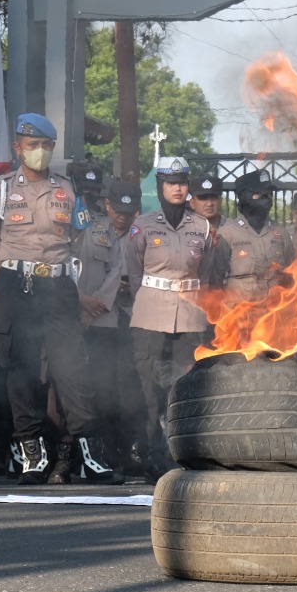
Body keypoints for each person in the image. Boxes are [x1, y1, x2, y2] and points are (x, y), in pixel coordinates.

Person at [0, 114, 120, 486]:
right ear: (18, 148)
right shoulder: (0, 191)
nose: (39, 151)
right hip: (14, 283)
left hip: (57, 286)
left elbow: (77, 240)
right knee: (21, 370)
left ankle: (92, 456)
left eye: (46, 145)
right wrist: (3, 287)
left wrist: (59, 275)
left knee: (73, 368)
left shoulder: (68, 190)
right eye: (32, 145)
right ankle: (32, 454)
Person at [124, 155, 215, 479]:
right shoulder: (144, 226)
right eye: (170, 183)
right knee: (148, 388)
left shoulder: (201, 227)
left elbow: (205, 273)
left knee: (183, 386)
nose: (176, 188)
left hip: (189, 315)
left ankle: (182, 453)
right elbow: (134, 273)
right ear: (161, 186)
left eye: (181, 182)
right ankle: (150, 454)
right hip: (150, 314)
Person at [72, 163, 138, 475]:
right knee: (75, 387)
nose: (121, 217)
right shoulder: (82, 226)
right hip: (77, 315)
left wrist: (97, 304)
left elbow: (116, 270)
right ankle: (74, 456)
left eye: (129, 211)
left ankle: (113, 453)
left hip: (113, 318)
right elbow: (63, 265)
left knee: (112, 389)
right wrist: (82, 303)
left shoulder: (137, 233)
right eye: (84, 192)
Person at [216, 170, 295, 313]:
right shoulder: (227, 233)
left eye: (269, 194)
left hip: (272, 316)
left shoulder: (280, 233)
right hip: (238, 317)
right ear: (244, 197)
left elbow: (292, 273)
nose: (266, 198)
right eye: (260, 194)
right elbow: (215, 279)